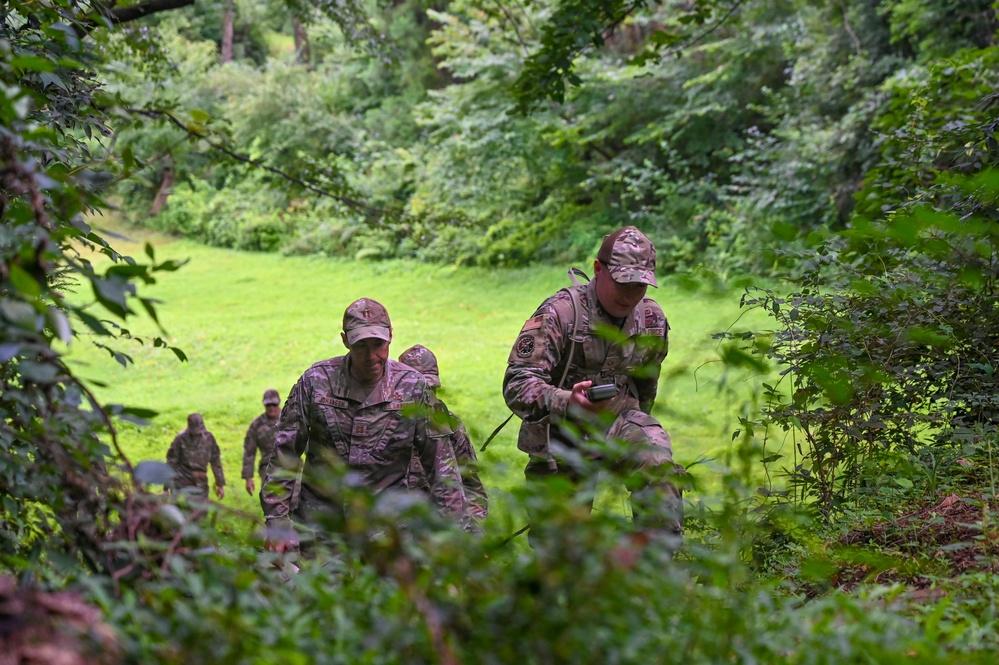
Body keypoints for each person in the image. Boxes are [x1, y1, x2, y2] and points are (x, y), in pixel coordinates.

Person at [502, 226, 682, 547]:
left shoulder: (650, 320)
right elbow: (517, 384)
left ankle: (654, 574)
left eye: (640, 285)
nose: (630, 294)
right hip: (561, 432)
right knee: (560, 550)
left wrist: (635, 434)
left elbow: (645, 388)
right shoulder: (561, 314)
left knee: (658, 468)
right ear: (598, 270)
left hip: (619, 421)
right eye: (623, 282)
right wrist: (565, 400)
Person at [260, 298, 466, 551]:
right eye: (361, 346)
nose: (371, 356)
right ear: (345, 341)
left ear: (391, 337)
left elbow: (441, 466)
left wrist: (452, 535)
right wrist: (277, 521)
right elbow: (285, 454)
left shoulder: (412, 387)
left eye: (378, 344)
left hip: (389, 532)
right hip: (322, 529)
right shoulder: (315, 382)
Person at [398, 344, 488, 530]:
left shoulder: (450, 425)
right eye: (420, 390)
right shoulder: (387, 426)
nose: (427, 397)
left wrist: (473, 531)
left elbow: (472, 487)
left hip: (443, 531)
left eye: (432, 389)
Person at [166, 413, 226, 500]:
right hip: (182, 480)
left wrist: (220, 484)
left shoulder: (209, 438)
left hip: (200, 481)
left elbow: (216, 461)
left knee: (201, 509)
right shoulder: (180, 439)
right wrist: (166, 487)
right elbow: (171, 462)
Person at [241, 388, 282, 496]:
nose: (271, 408)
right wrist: (248, 478)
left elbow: (307, 443)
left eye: (274, 404)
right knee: (272, 506)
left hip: (292, 469)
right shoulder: (257, 425)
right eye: (268, 405)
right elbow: (249, 452)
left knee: (295, 506)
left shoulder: (291, 419)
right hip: (268, 470)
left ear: (279, 403)